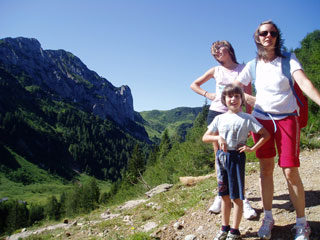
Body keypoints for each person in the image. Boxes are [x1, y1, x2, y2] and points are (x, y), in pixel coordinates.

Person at [234, 20, 320, 240]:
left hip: (287, 119)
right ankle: (269, 217)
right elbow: (232, 88)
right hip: (261, 121)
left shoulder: (288, 59)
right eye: (264, 33)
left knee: (290, 170)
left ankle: (302, 223)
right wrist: (245, 98)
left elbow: (304, 82)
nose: (268, 36)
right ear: (257, 37)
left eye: (272, 33)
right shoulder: (252, 65)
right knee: (265, 169)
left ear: (277, 37)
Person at [190, 40, 257, 220]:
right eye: (214, 51)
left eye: (219, 48)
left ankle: (243, 198)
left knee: (237, 157)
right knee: (220, 156)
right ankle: (221, 195)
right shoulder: (215, 70)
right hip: (217, 115)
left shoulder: (244, 69)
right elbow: (193, 84)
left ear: (229, 49)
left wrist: (250, 121)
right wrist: (208, 95)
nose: (216, 52)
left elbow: (248, 95)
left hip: (238, 117)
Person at [203, 84, 270, 240]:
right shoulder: (219, 118)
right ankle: (224, 228)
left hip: (236, 158)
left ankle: (234, 231)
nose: (233, 99)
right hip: (221, 158)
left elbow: (265, 134)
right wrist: (218, 137)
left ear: (242, 100)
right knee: (224, 195)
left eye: (237, 96)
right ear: (224, 99)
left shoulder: (248, 118)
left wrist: (252, 148)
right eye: (229, 96)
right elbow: (205, 137)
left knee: (237, 197)